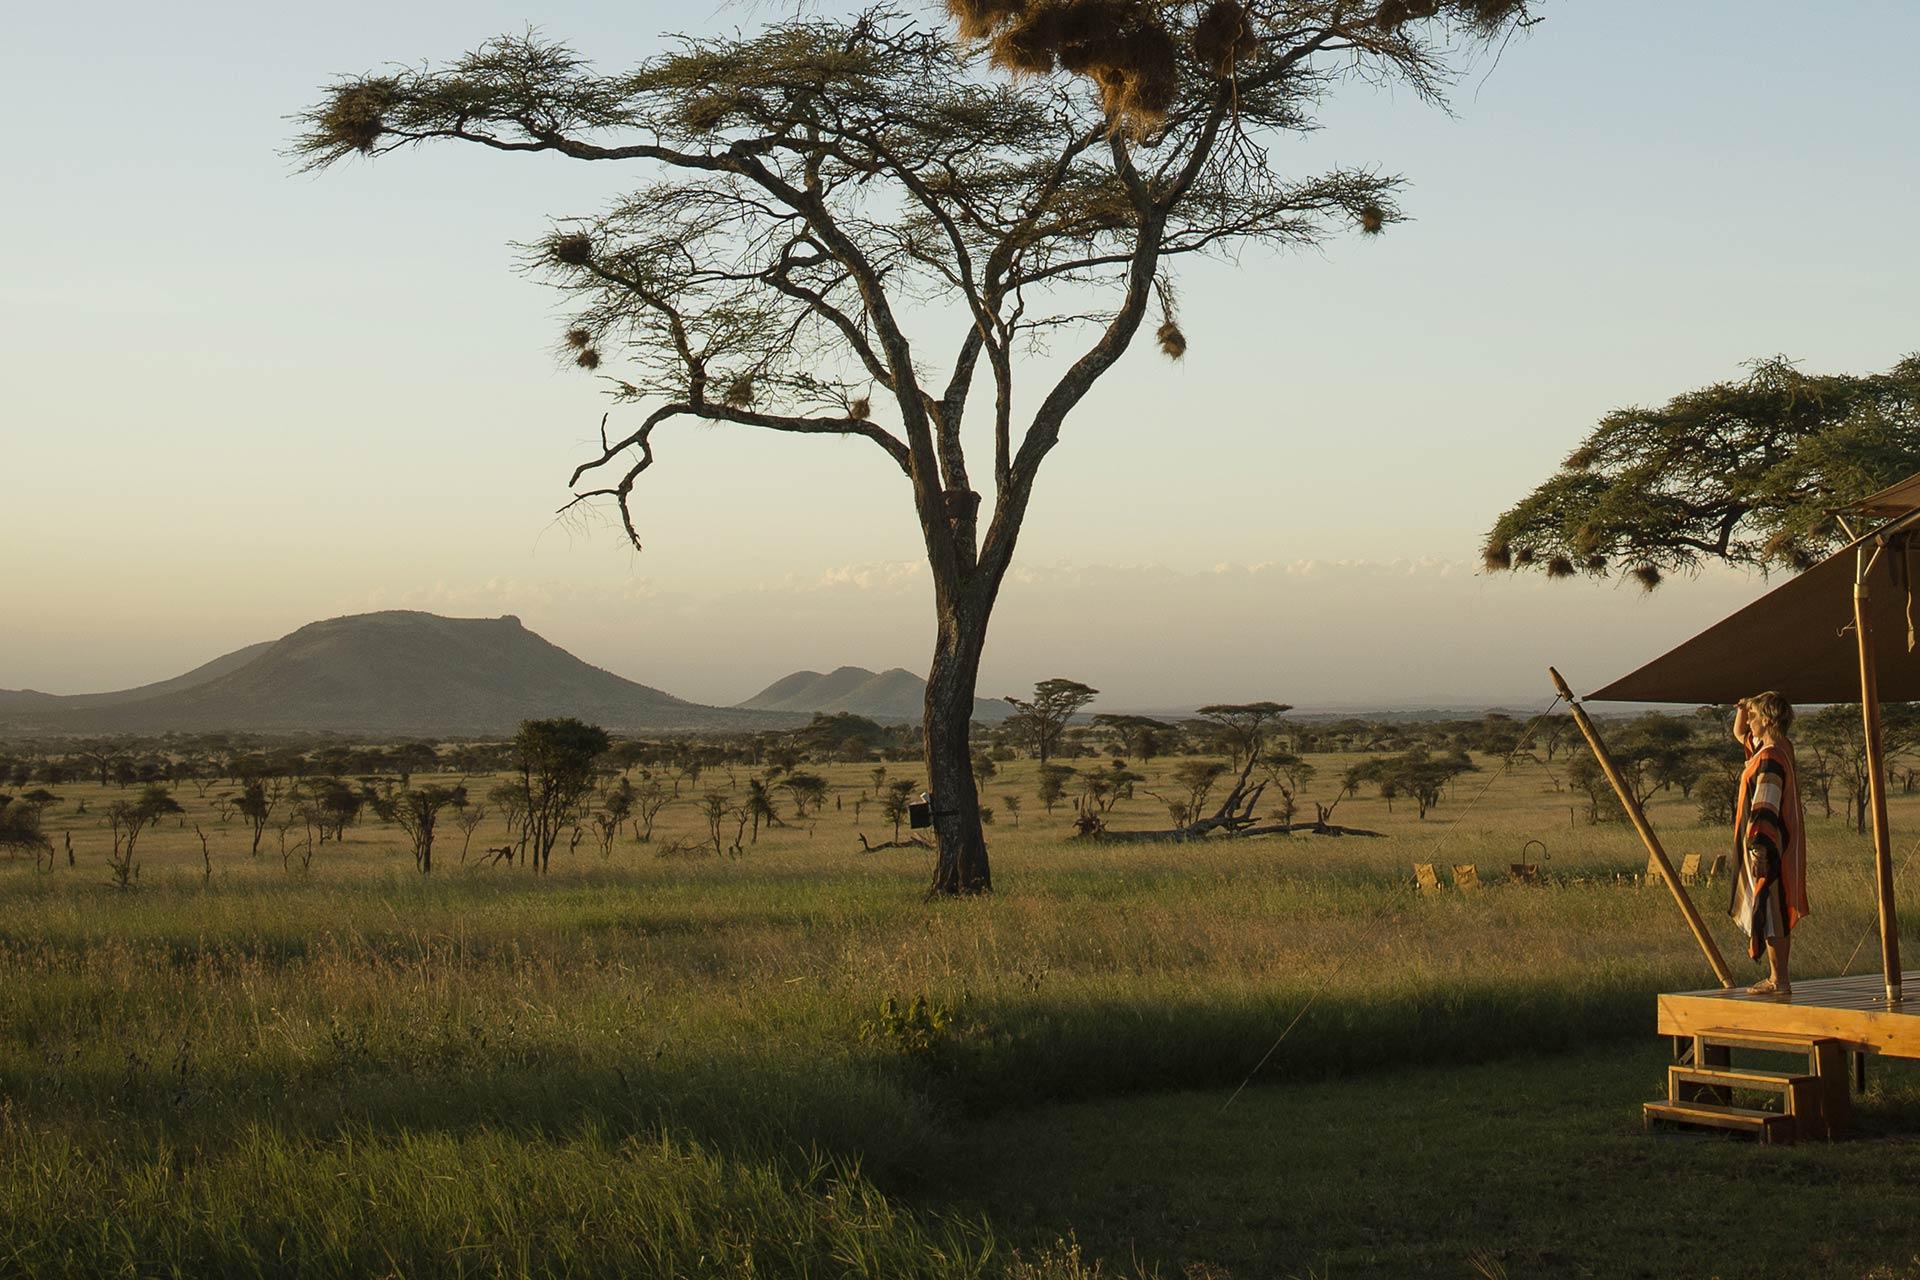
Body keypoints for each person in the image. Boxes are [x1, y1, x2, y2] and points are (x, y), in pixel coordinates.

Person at [1728, 692, 1809, 995]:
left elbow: (1765, 804)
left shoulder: (1770, 756)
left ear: (1767, 720)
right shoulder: (1777, 746)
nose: (1748, 722)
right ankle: (1779, 978)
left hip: (1770, 843)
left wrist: (1759, 847)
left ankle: (1780, 980)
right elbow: (1740, 733)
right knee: (1772, 905)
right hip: (1775, 840)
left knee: (1771, 906)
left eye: (1753, 716)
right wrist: (1743, 708)